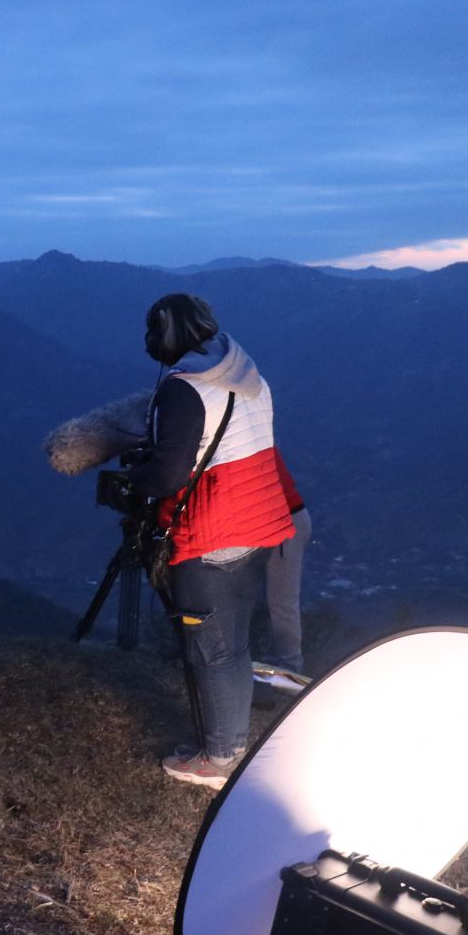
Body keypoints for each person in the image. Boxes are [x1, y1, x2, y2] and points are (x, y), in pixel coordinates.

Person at [130, 294, 295, 788]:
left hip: (213, 532)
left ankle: (220, 759)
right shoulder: (249, 377)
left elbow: (167, 474)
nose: (149, 345)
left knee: (211, 649)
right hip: (258, 526)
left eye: (152, 334)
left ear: (167, 334)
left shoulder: (184, 390)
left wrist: (134, 475)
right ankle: (233, 744)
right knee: (235, 644)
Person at [253, 451, 313, 694]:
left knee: (281, 601)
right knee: (276, 601)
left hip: (284, 522)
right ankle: (276, 666)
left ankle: (290, 672)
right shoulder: (258, 440)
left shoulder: (253, 446)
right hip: (287, 519)